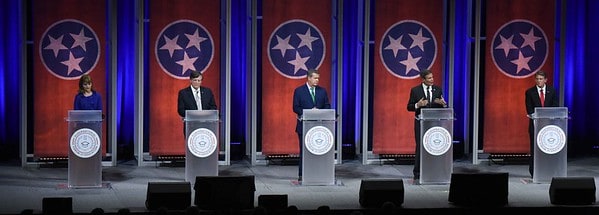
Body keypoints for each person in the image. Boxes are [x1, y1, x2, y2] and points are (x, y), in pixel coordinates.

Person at [406, 69, 447, 181]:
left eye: (432, 77)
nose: (432, 80)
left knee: (434, 147)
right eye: (429, 78)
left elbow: (442, 106)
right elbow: (409, 107)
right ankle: (418, 173)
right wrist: (417, 104)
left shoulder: (437, 90)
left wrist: (443, 104)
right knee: (420, 146)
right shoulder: (415, 90)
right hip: (420, 122)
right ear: (423, 79)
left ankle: (434, 171)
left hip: (434, 123)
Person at [292, 69, 331, 181]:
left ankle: (319, 173)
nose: (317, 80)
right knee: (304, 150)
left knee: (318, 151)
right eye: (315, 78)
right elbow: (295, 107)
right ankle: (302, 175)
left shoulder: (322, 91)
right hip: (304, 126)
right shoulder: (299, 91)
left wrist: (318, 111)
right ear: (308, 78)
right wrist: (309, 111)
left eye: (318, 78)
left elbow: (327, 106)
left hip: (319, 127)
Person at [524, 70, 558, 177]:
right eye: (537, 79)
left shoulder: (552, 91)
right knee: (534, 149)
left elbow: (555, 107)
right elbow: (529, 110)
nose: (539, 81)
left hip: (549, 126)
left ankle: (548, 170)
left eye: (541, 79)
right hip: (535, 125)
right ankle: (534, 172)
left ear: (545, 80)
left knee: (548, 149)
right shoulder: (530, 92)